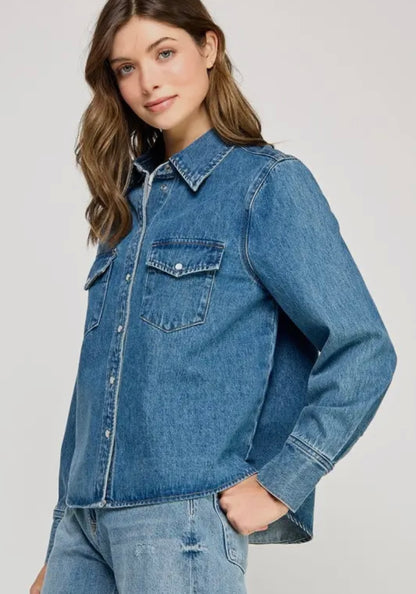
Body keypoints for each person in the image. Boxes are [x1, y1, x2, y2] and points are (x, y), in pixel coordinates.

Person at [31, 0, 397, 592]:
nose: (148, 82)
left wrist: (281, 482)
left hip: (177, 525)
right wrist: (59, 540)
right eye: (126, 68)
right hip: (82, 529)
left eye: (165, 53)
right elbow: (94, 384)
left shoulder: (265, 185)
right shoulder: (125, 204)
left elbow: (363, 347)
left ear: (209, 47)